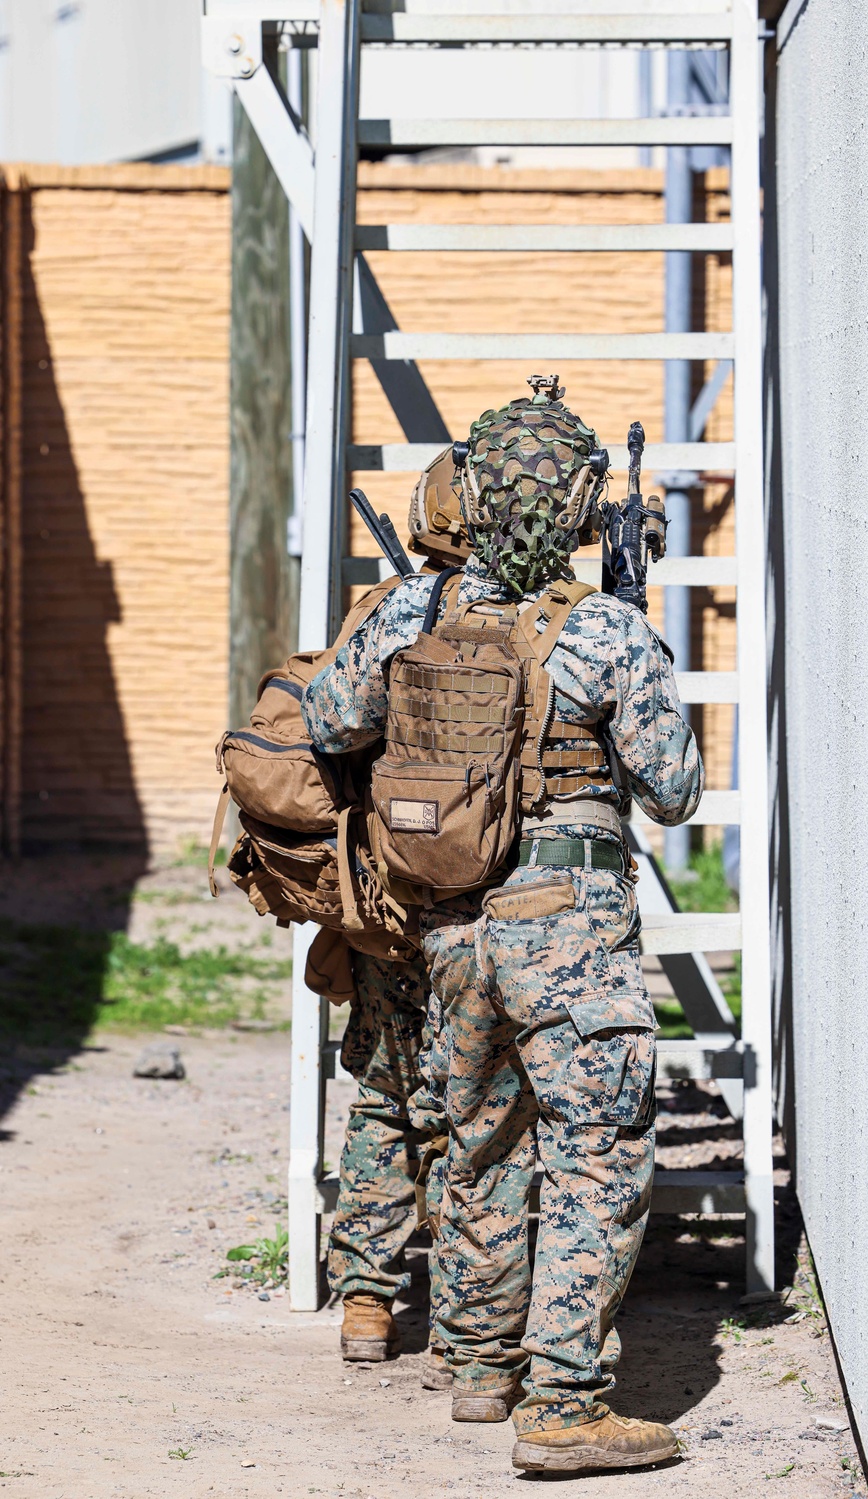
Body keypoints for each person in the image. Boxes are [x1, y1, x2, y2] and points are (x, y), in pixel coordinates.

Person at [302, 381, 703, 1474]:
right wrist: (624, 639)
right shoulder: (608, 630)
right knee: (593, 1150)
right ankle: (563, 1403)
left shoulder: (406, 610)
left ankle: (479, 1365)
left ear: (468, 496)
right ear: (581, 504)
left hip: (449, 929)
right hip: (569, 925)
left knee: (478, 1139)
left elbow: (328, 718)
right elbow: (672, 791)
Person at [329, 456, 472, 1388]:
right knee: (489, 1106)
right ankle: (476, 1322)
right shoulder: (557, 616)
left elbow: (333, 720)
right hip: (501, 900)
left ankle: (369, 1300)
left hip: (396, 893)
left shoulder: (402, 608)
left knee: (386, 1086)